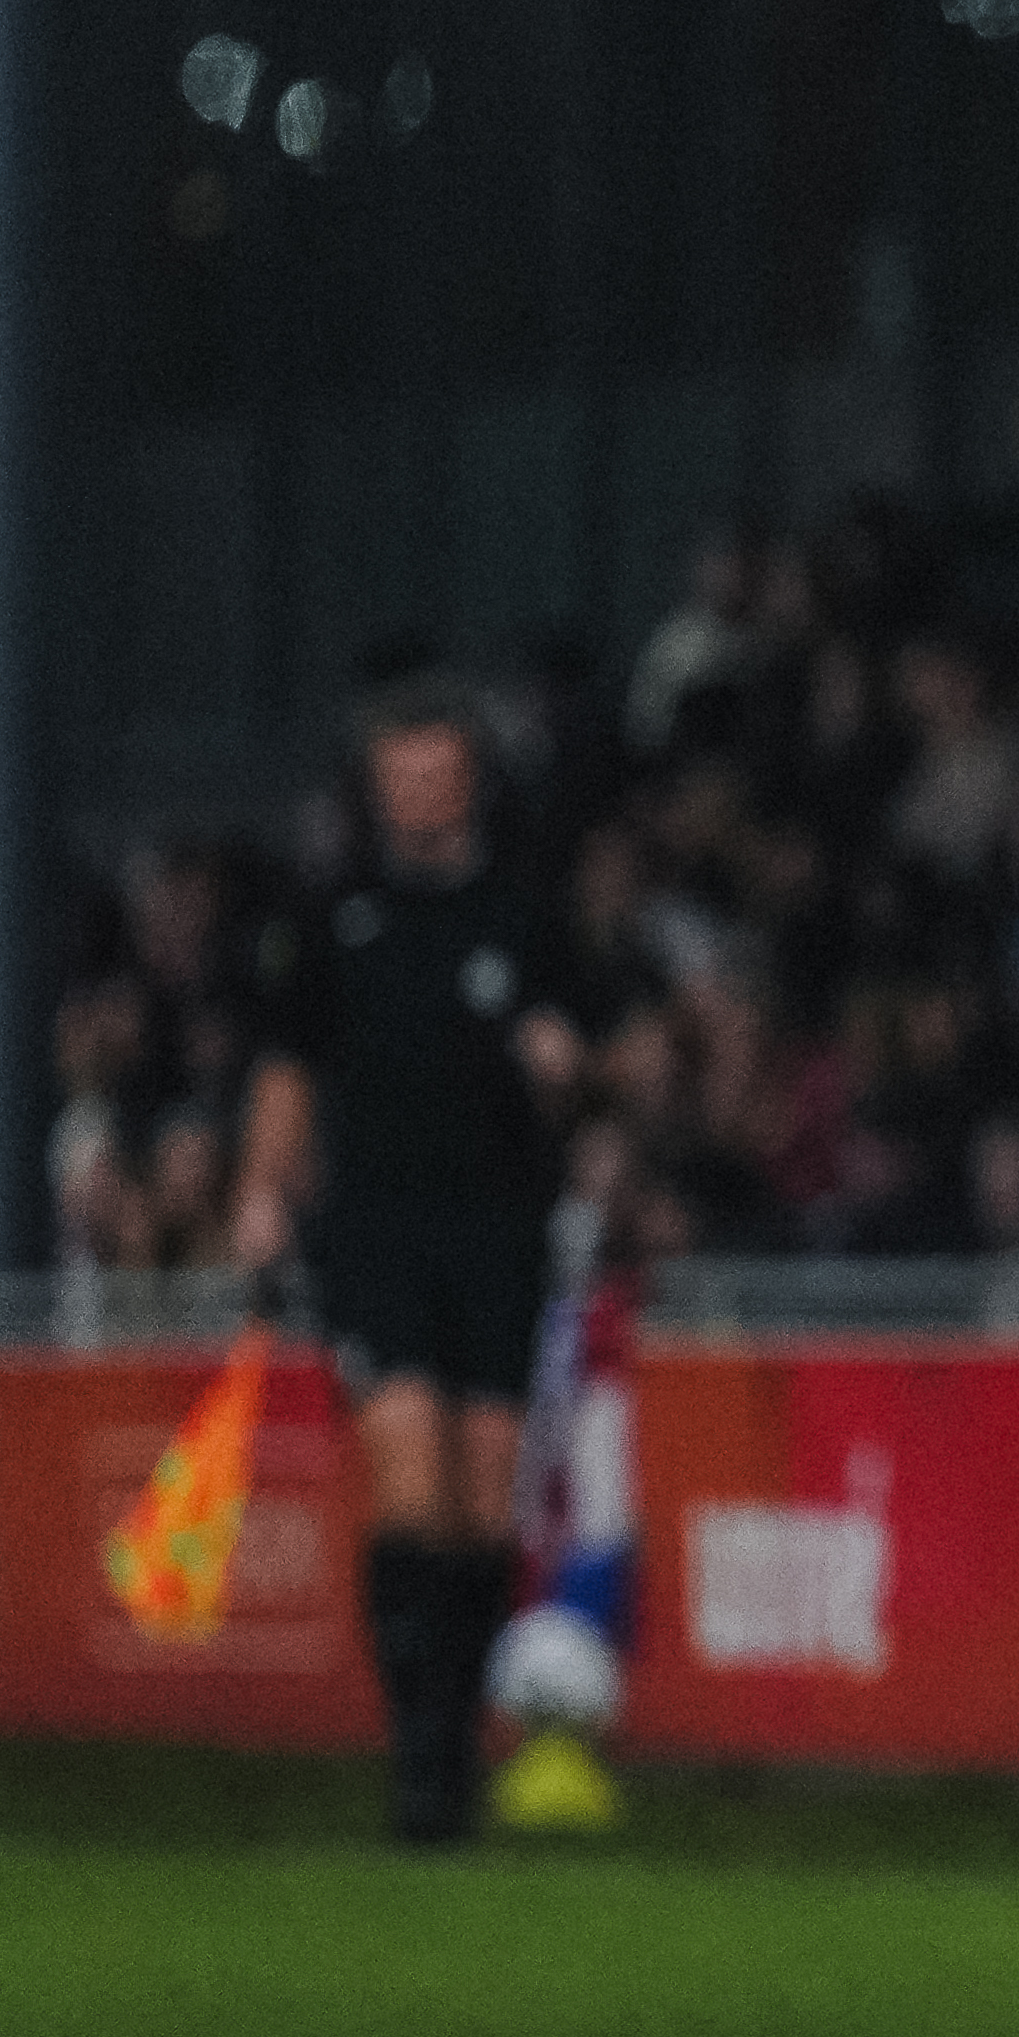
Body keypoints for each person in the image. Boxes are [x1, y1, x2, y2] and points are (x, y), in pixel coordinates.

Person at [233, 683, 589, 1844]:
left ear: (469, 781)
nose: (421, 794)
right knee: (410, 1476)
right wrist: (260, 1187)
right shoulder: (338, 916)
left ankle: (454, 1742)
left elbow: (600, 1057)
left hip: (497, 1230)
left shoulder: (526, 916)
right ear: (378, 788)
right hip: (377, 1231)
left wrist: (565, 1062)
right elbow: (289, 1063)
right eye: (402, 776)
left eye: (439, 774)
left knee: (484, 1498)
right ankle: (421, 1764)